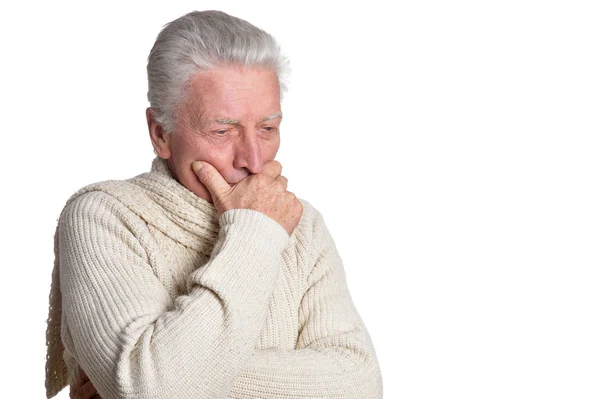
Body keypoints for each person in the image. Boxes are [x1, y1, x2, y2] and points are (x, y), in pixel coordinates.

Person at [44, 10, 383, 399]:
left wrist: (160, 376)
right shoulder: (105, 216)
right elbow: (153, 389)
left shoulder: (300, 224)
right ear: (161, 134)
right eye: (222, 131)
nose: (253, 161)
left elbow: (359, 384)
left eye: (268, 129)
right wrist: (255, 229)